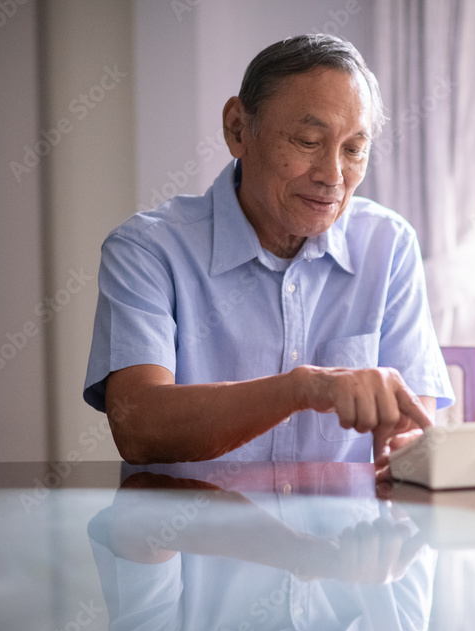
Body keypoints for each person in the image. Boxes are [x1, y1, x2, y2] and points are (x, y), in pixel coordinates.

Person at [83, 34, 453, 465]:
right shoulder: (147, 250)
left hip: (343, 530)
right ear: (238, 128)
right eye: (308, 142)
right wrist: (300, 389)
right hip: (191, 531)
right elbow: (139, 427)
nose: (332, 176)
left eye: (354, 149)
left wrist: (406, 453)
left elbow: (409, 437)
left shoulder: (388, 246)